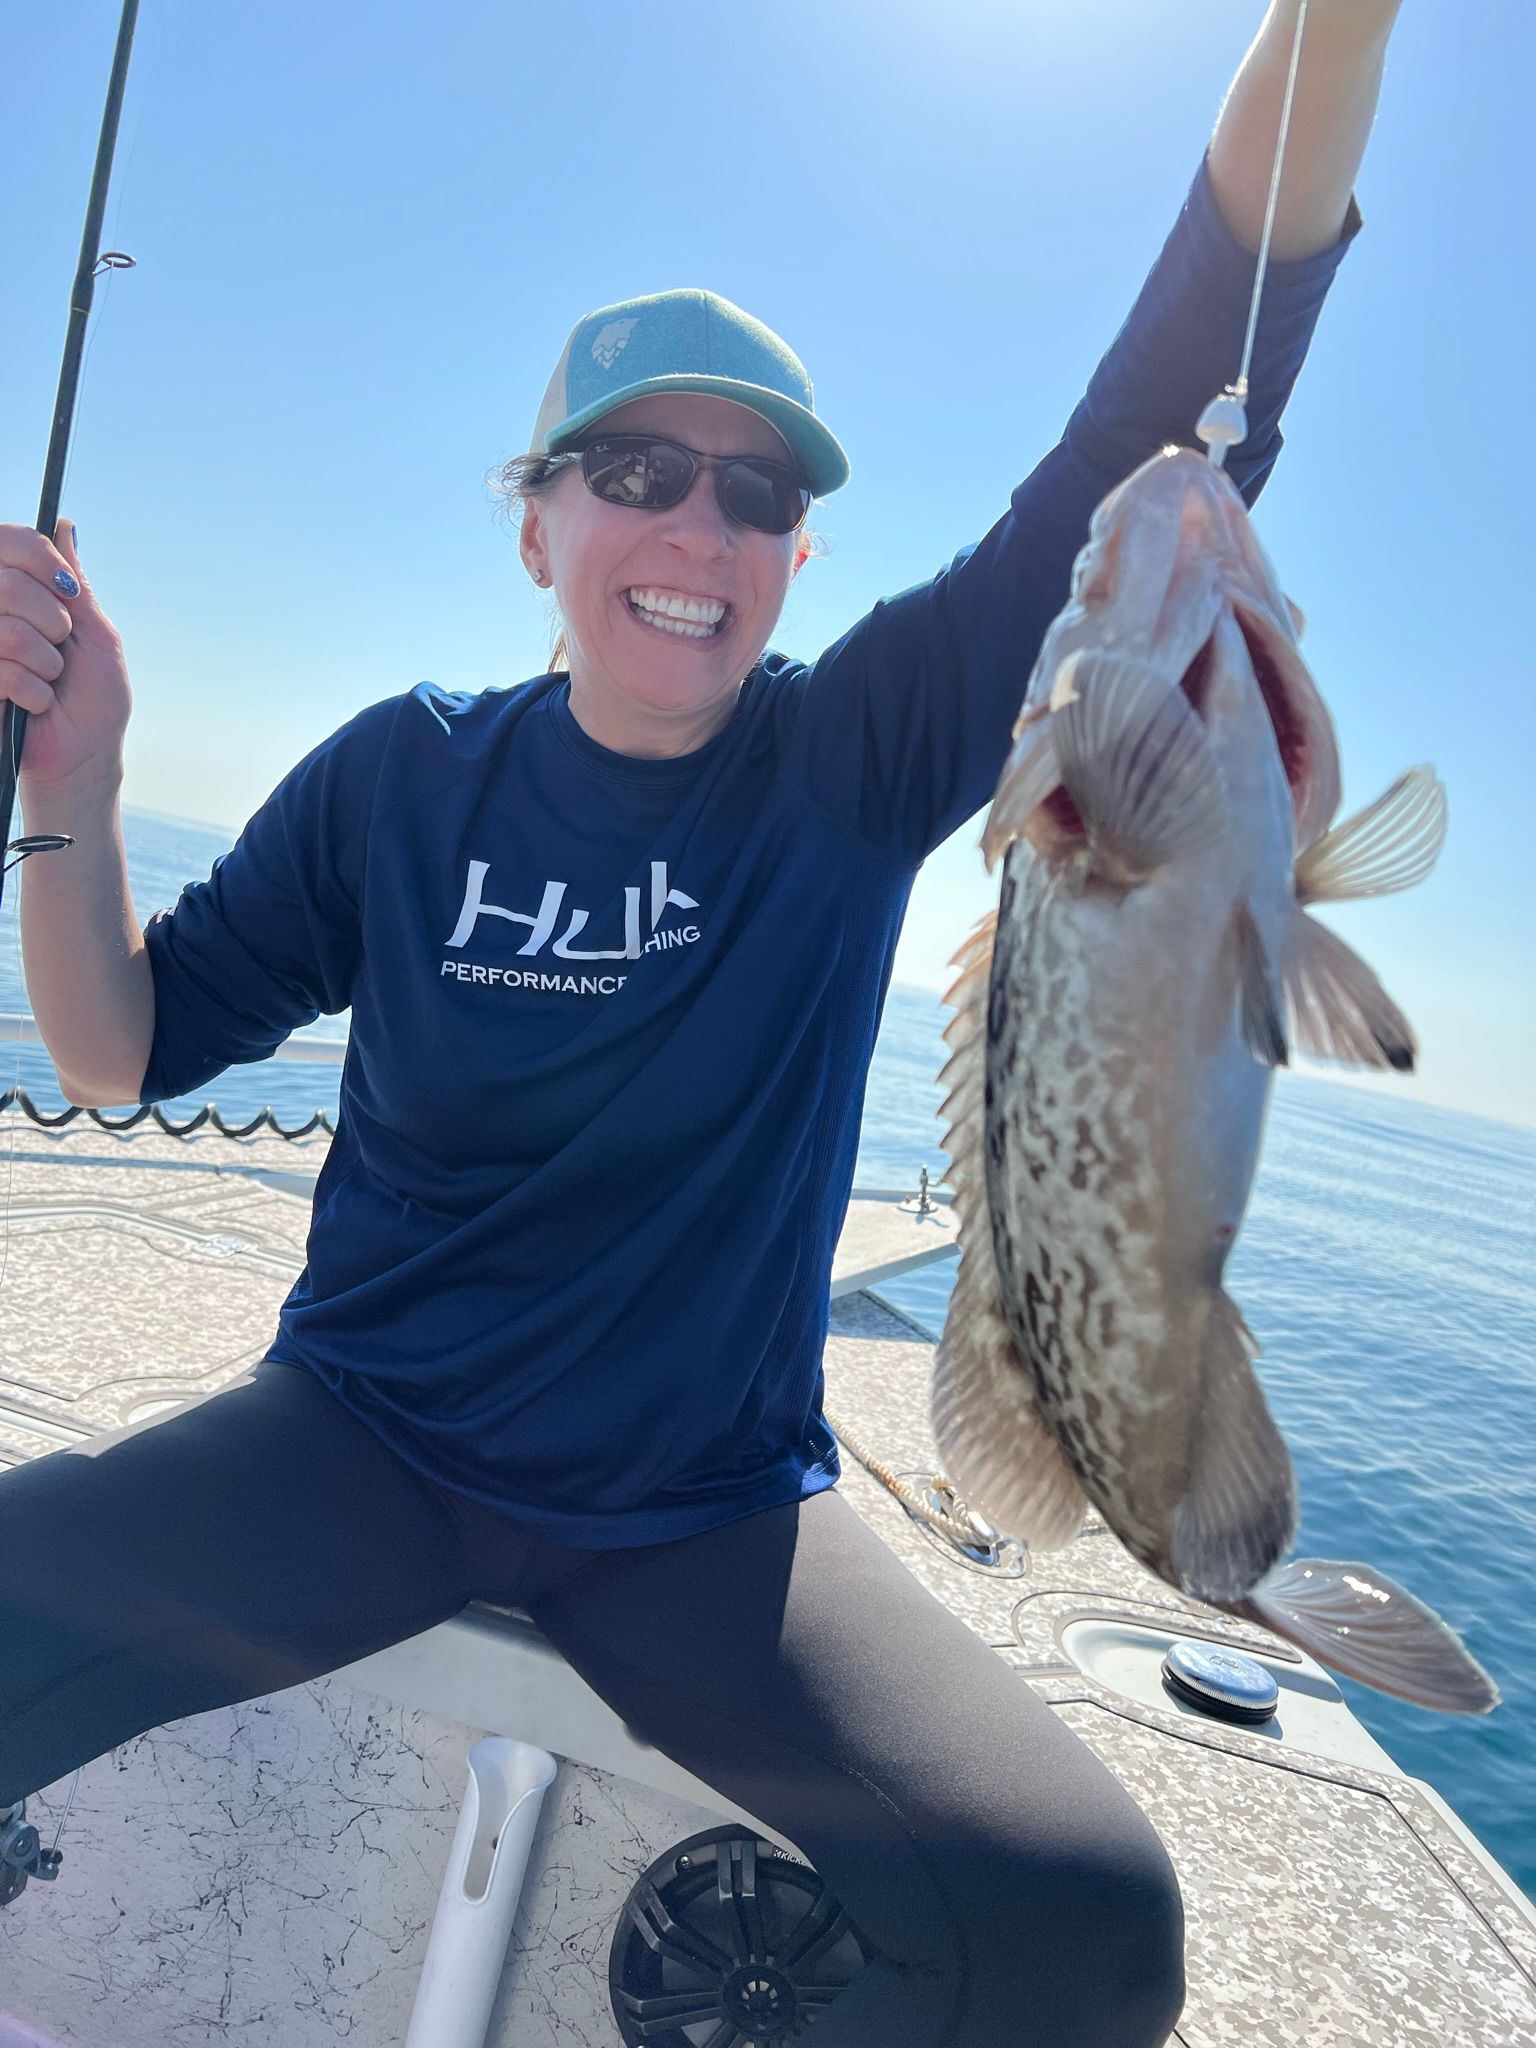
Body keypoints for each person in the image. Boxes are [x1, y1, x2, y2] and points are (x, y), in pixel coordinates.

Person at [0, 5, 1404, 2041]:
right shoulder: (404, 778)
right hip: (354, 1444)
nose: (699, 528)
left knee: (1083, 1933)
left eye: (756, 495)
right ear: (539, 523)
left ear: (798, 553)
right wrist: (80, 781)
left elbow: (1193, 347)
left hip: (713, 1520)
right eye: (640, 471)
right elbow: (121, 1047)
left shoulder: (853, 752)